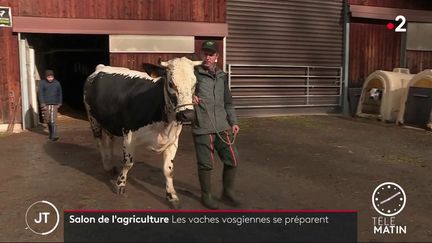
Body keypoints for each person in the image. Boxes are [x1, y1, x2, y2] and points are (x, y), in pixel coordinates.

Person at [192, 40, 241, 209]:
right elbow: (180, 91)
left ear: (216, 57)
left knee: (233, 159)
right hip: (203, 125)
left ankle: (227, 192)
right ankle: (206, 195)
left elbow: (228, 102)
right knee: (206, 163)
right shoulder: (193, 74)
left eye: (210, 54)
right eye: (204, 53)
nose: (207, 57)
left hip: (222, 125)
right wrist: (190, 97)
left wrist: (233, 121)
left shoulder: (222, 76)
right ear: (200, 54)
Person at [38, 69, 62, 141]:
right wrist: (42, 103)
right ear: (46, 77)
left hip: (54, 103)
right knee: (48, 120)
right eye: (48, 77)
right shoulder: (42, 83)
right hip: (46, 104)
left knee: (53, 120)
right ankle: (51, 133)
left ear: (53, 76)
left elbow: (60, 93)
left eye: (51, 77)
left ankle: (55, 135)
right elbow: (40, 94)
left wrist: (59, 102)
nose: (50, 78)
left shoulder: (57, 83)